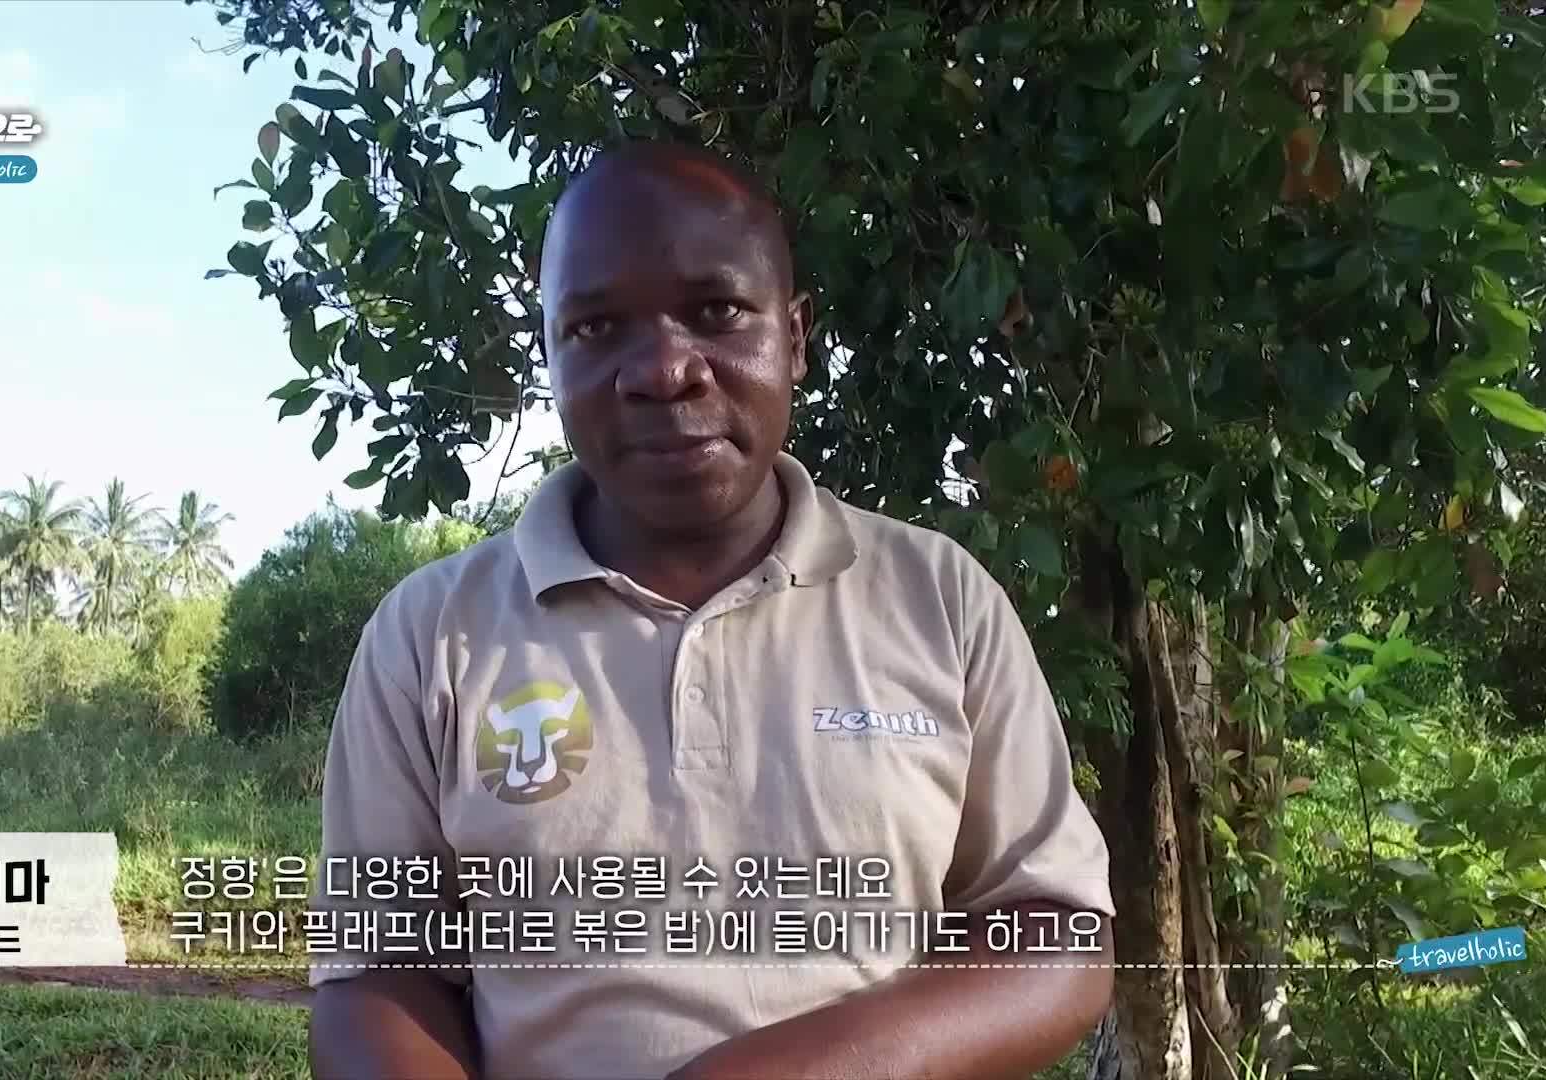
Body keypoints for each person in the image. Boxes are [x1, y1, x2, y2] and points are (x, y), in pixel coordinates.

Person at [308, 139, 1116, 1080]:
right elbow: (377, 974)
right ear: (552, 356)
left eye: (718, 311)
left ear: (796, 337)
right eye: (596, 327)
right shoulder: (432, 635)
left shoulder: (938, 600)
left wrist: (790, 1073)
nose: (663, 370)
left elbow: (1056, 934)